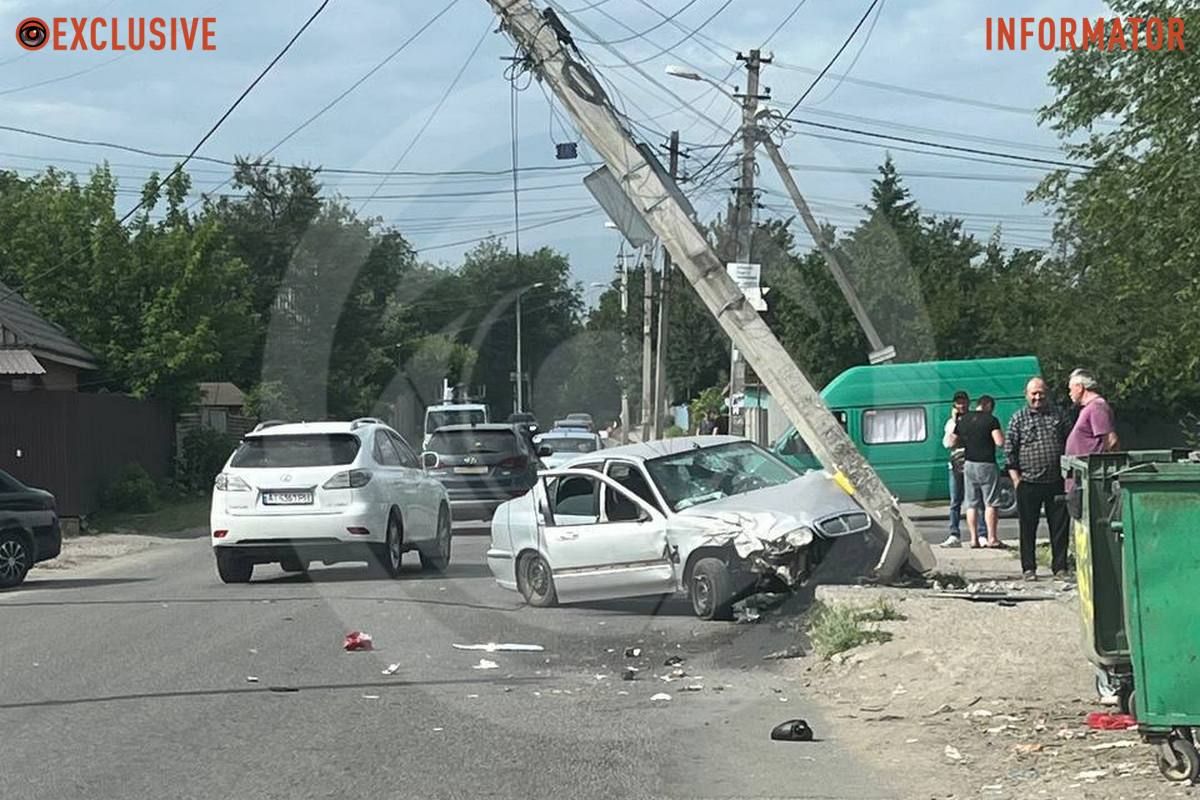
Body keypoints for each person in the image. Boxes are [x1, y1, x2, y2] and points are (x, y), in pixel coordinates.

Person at [1004, 377, 1073, 580]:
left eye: (1041, 393)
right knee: (1027, 528)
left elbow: (1071, 443)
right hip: (1028, 483)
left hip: (1056, 482)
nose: (1037, 397)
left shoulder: (1059, 415)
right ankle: (1029, 568)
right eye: (1033, 393)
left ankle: (1060, 568)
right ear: (1026, 395)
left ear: (1047, 393)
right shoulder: (1018, 418)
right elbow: (1009, 450)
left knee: (1059, 528)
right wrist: (1016, 480)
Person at [951, 395, 1006, 548]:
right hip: (987, 464)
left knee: (971, 503)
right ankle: (992, 538)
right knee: (990, 502)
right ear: (989, 406)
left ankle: (973, 539)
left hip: (968, 464)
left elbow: (952, 441)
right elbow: (999, 442)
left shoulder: (964, 420)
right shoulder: (991, 420)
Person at [940, 390, 970, 548]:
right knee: (955, 501)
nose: (961, 405)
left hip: (971, 462)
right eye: (958, 402)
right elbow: (948, 443)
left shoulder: (972, 419)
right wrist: (954, 421)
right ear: (954, 405)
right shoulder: (950, 423)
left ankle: (981, 534)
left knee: (975, 500)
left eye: (963, 402)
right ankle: (954, 534)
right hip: (955, 464)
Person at [1066, 369, 1119, 455]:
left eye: (1070, 389)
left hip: (1092, 463)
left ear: (1079, 387)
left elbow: (1111, 441)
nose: (1070, 393)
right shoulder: (1090, 407)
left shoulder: (1096, 407)